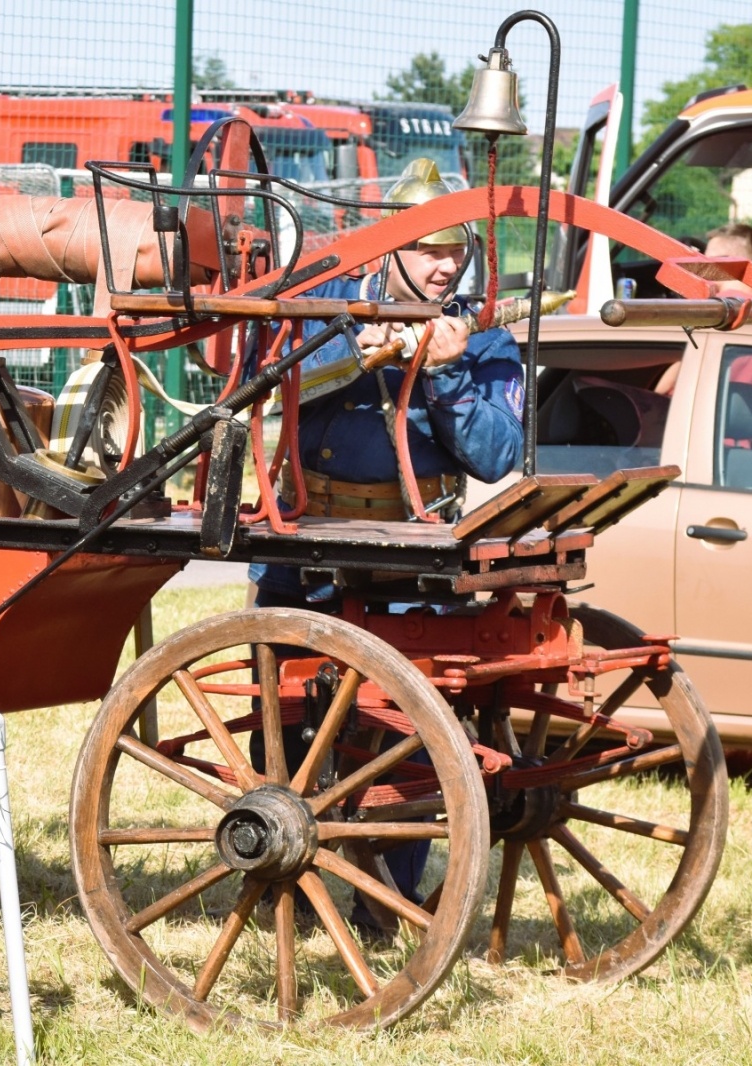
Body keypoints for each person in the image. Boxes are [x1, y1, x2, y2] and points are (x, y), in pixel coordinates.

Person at [248, 159, 525, 925]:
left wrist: (448, 373)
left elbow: (499, 455)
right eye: (429, 250)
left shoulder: (480, 332)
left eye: (455, 253)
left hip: (412, 556)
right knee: (289, 722)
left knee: (406, 737)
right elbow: (264, 384)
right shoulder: (323, 301)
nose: (444, 268)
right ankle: (280, 883)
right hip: (306, 546)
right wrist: (357, 347)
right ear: (390, 249)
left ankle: (390, 899)